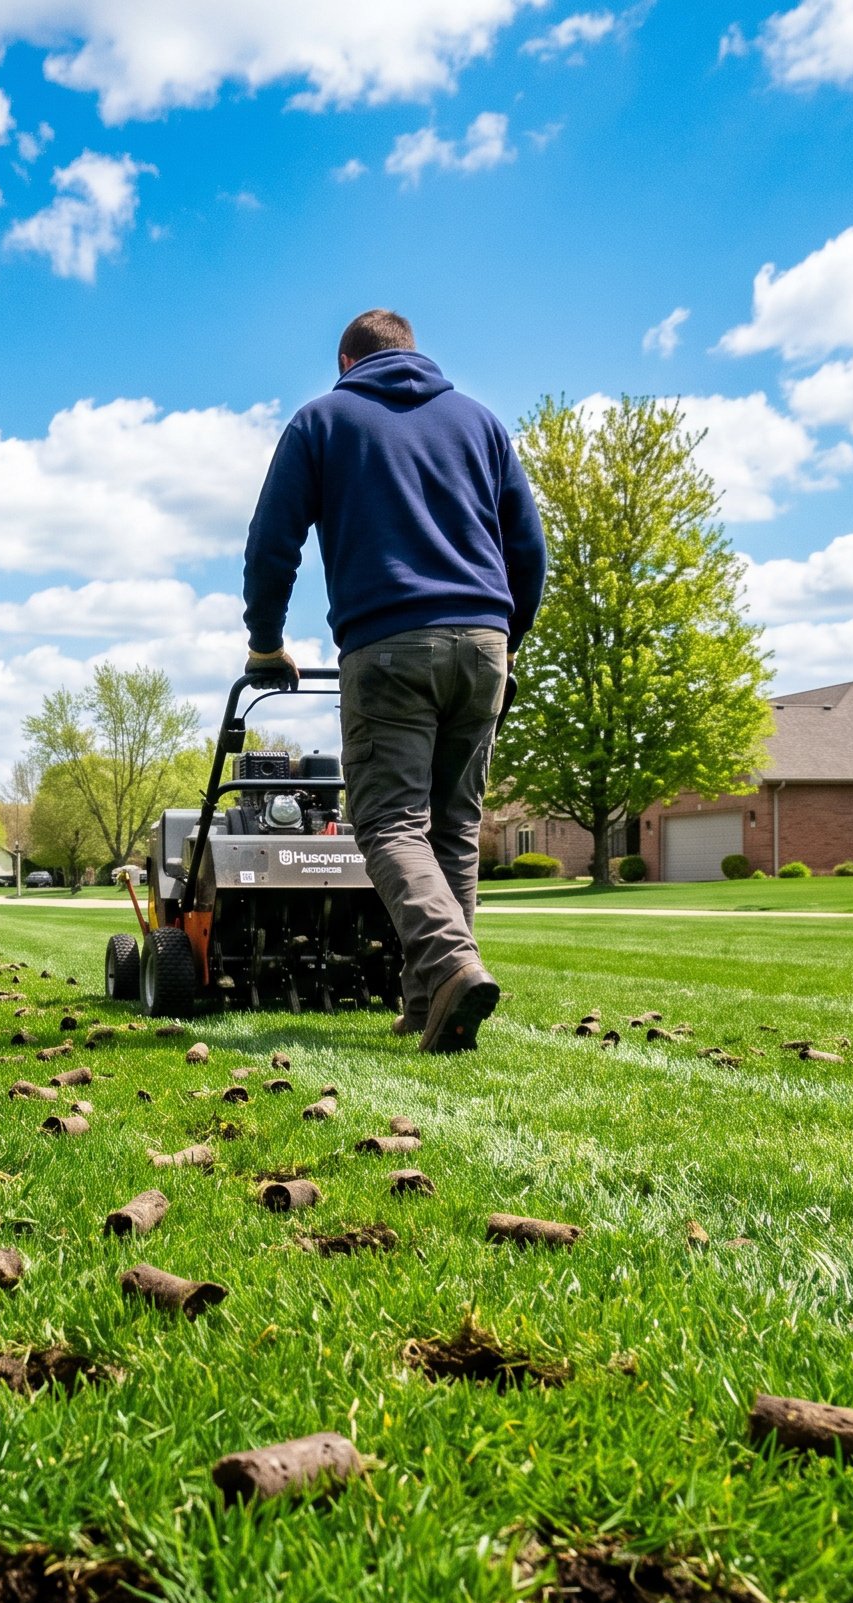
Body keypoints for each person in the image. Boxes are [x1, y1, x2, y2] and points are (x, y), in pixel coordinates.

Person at [239, 308, 546, 1052]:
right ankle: (427, 1005)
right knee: (455, 831)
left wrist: (266, 643)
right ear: (414, 353)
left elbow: (273, 541)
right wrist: (507, 639)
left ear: (346, 361)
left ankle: (449, 969)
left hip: (388, 644)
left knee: (388, 824)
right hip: (485, 643)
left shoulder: (324, 419)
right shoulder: (480, 423)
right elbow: (527, 547)